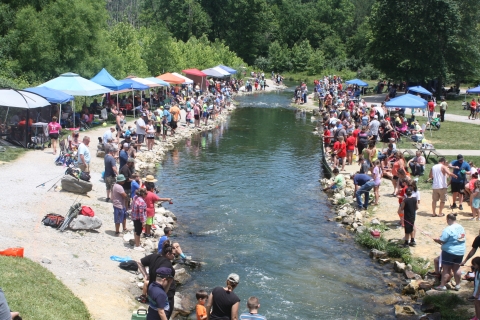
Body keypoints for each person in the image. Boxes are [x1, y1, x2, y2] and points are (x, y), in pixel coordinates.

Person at [136, 244, 177, 315]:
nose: (174, 256)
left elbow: (138, 262)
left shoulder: (153, 256)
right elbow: (165, 282)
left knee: (153, 312)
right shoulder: (168, 265)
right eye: (173, 254)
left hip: (152, 291)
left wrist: (145, 275)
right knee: (163, 314)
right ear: (168, 254)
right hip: (166, 295)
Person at [434, 214, 466, 291]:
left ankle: (442, 286)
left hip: (449, 252)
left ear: (448, 219)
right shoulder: (461, 227)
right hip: (460, 251)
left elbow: (442, 240)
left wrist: (436, 240)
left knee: (446, 269)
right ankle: (458, 285)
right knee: (457, 269)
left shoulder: (448, 229)